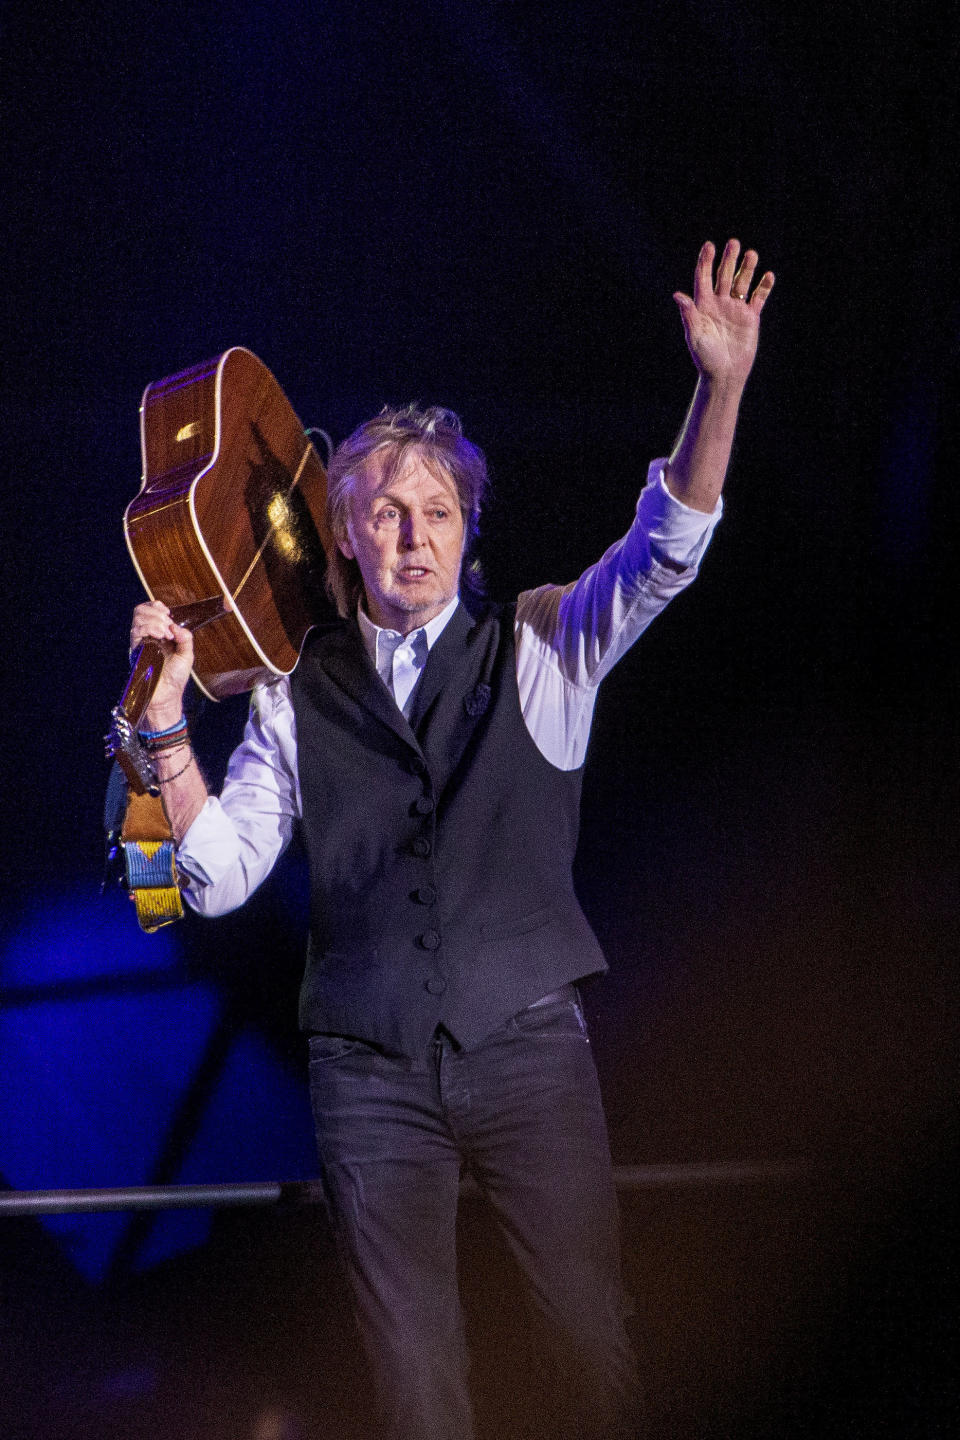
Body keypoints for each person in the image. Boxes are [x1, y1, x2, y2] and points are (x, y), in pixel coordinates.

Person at [129, 239, 774, 1439]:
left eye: (438, 513)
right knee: (415, 1382)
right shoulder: (288, 693)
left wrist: (720, 384)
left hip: (530, 1052)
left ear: (467, 534)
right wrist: (164, 729)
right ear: (348, 540)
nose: (415, 536)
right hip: (366, 1078)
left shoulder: (543, 645)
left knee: (590, 1340)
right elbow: (209, 886)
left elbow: (667, 550)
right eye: (387, 514)